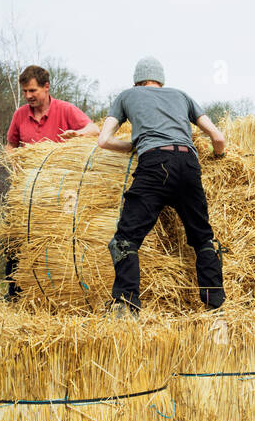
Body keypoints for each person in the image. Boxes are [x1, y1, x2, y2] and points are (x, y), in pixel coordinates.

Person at [96, 56, 227, 311]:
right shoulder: (182, 95)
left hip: (155, 165)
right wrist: (219, 157)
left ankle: (126, 305)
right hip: (189, 165)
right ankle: (216, 307)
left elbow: (103, 140)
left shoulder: (126, 96)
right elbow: (218, 137)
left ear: (137, 82)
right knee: (203, 239)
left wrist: (135, 146)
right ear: (161, 80)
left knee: (126, 240)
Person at [3, 65, 99, 299]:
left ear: (47, 87)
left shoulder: (65, 110)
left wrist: (79, 134)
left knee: (63, 238)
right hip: (29, 189)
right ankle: (14, 293)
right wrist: (12, 162)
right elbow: (10, 144)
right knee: (15, 236)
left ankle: (63, 290)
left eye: (33, 90)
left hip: (61, 189)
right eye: (25, 91)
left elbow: (94, 129)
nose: (28, 96)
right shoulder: (20, 115)